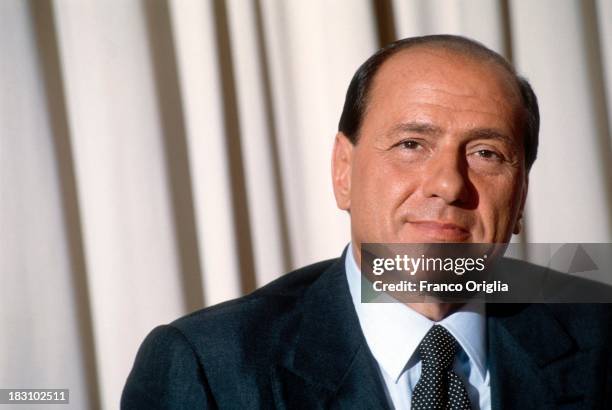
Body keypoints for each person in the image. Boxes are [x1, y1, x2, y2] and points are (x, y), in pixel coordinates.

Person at [121, 35, 612, 409]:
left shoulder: (600, 341)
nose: (449, 184)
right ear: (343, 172)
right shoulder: (209, 368)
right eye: (411, 145)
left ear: (521, 193)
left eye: (486, 153)